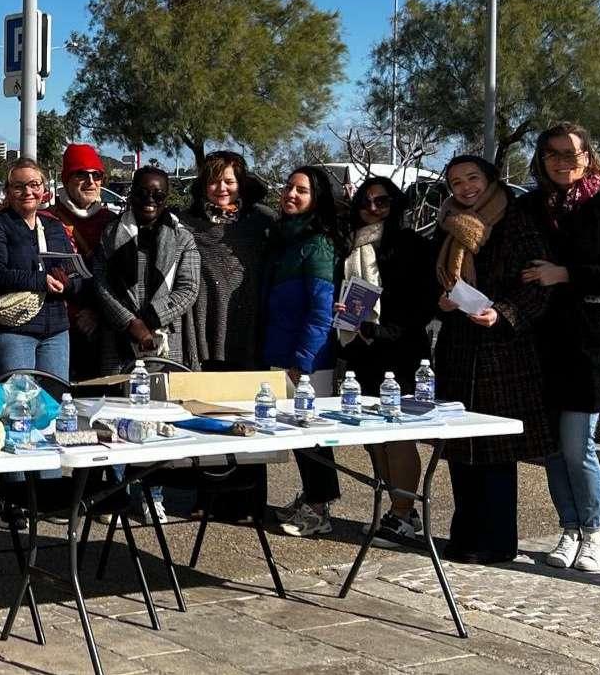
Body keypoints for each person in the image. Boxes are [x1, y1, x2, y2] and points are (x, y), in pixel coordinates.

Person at [523, 122, 600, 572]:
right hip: (545, 344)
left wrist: (566, 273)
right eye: (551, 154)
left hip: (593, 349)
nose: (561, 162)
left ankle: (593, 532)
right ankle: (568, 528)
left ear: (589, 155)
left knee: (577, 446)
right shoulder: (535, 206)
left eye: (570, 154)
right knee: (552, 447)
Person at [433, 153, 554, 564]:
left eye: (472, 178)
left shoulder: (515, 220)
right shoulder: (449, 223)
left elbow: (537, 286)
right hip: (459, 347)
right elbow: (439, 281)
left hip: (502, 352)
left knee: (495, 451)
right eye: (455, 182)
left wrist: (503, 313)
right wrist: (444, 304)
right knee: (460, 447)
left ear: (490, 179)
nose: (464, 188)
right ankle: (464, 536)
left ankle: (498, 541)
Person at [338, 176, 438, 541]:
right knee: (373, 435)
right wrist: (348, 318)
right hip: (362, 351)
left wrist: (384, 329)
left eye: (382, 202)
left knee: (398, 435)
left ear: (395, 206)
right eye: (366, 202)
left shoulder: (411, 245)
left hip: (401, 352)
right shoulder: (349, 246)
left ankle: (405, 512)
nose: (373, 209)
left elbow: (423, 303)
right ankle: (390, 509)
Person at [265, 165, 346, 537]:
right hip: (281, 352)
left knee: (313, 437)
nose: (291, 195)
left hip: (308, 361)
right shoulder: (286, 237)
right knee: (300, 436)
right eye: (288, 187)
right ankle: (312, 497)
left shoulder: (318, 243)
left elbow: (320, 309)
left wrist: (303, 361)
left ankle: (319, 509)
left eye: (302, 190)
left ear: (318, 199)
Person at [92, 166, 201, 374]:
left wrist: (151, 320)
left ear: (166, 198)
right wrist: (131, 323)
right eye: (142, 193)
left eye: (158, 195)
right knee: (119, 403)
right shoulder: (109, 234)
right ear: (131, 194)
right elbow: (101, 283)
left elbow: (189, 288)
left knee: (165, 402)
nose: (150, 200)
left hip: (164, 336)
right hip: (119, 338)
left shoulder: (183, 238)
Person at [0, 159, 76, 381]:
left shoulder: (54, 226)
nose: (28, 191)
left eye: (34, 184)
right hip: (15, 330)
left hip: (56, 331)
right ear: (8, 191)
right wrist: (40, 281)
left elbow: (72, 272)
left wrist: (69, 282)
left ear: (43, 188)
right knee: (18, 403)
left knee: (54, 400)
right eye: (19, 186)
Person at [181, 151, 277, 369]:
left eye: (229, 181)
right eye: (213, 182)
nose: (222, 188)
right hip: (205, 327)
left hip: (251, 326)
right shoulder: (186, 224)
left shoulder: (262, 220)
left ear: (240, 184)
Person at [49, 144, 117, 379]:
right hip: (58, 327)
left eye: (96, 175)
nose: (90, 181)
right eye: (81, 174)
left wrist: (97, 312)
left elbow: (122, 278)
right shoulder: (45, 219)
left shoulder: (113, 222)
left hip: (103, 327)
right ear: (66, 179)